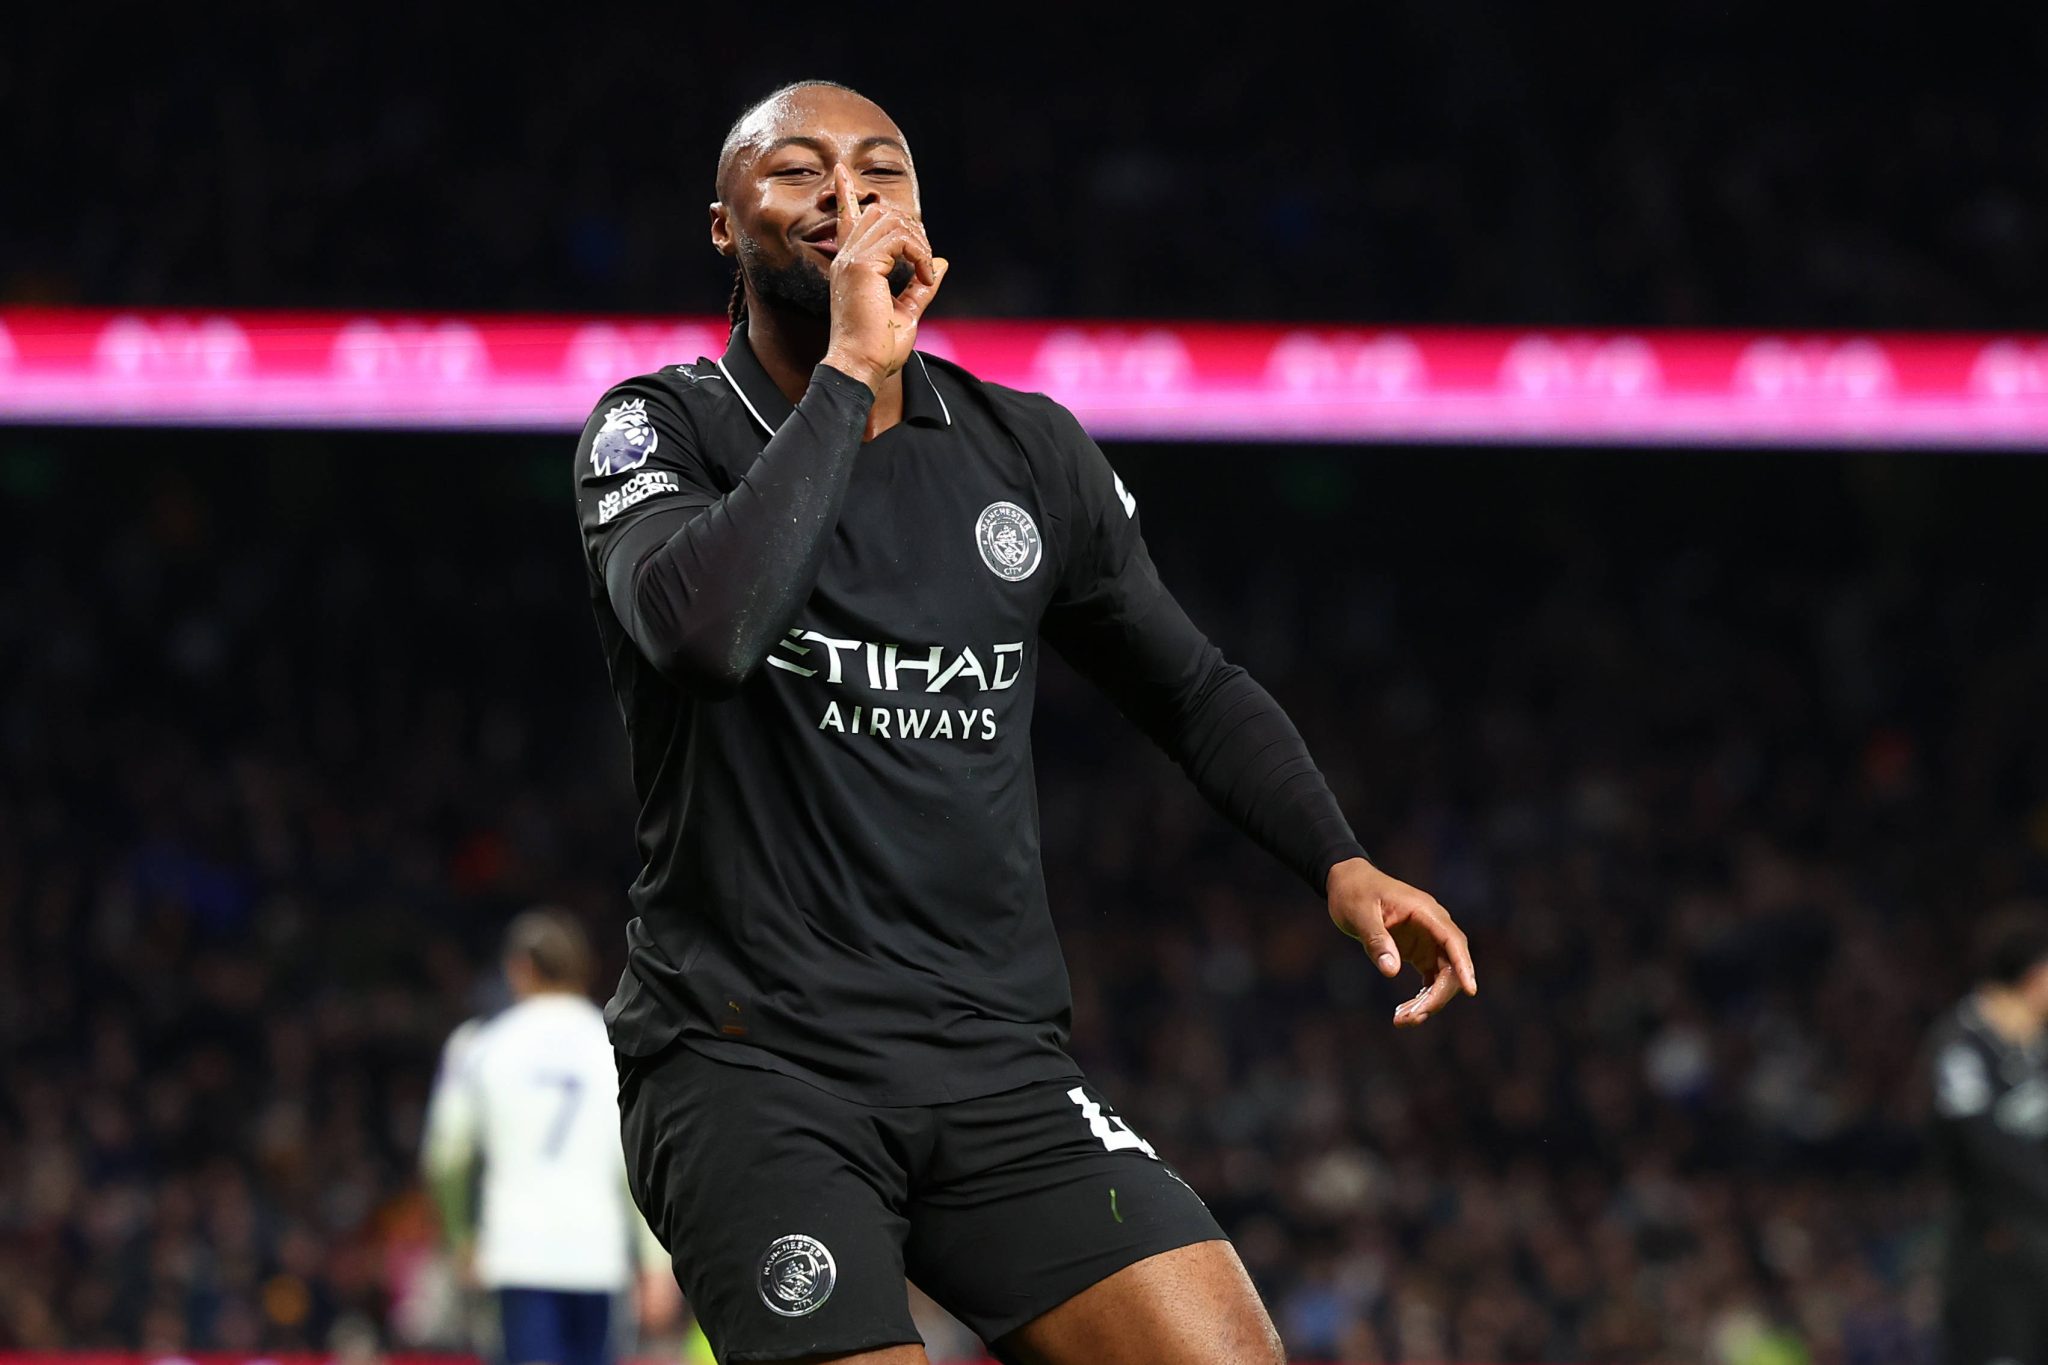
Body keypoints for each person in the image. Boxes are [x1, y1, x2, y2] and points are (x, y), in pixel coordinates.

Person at [571, 79, 1477, 1365]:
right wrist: (848, 374)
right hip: (751, 1066)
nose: (844, 192)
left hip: (993, 1067)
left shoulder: (1026, 453)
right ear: (723, 225)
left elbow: (1189, 686)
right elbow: (705, 638)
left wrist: (1338, 860)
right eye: (797, 170)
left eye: (879, 170)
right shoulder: (656, 427)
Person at [423, 910, 674, 1365]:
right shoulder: (614, 1045)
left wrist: (460, 1237)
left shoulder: (479, 1046)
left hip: (516, 1252)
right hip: (597, 1255)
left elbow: (447, 1156)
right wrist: (655, 1264)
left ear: (518, 968)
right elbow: (637, 1161)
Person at [1924, 909, 2048, 1365]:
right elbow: (1981, 1148)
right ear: (2035, 976)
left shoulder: (2038, 1046)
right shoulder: (1960, 1047)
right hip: (1994, 1250)